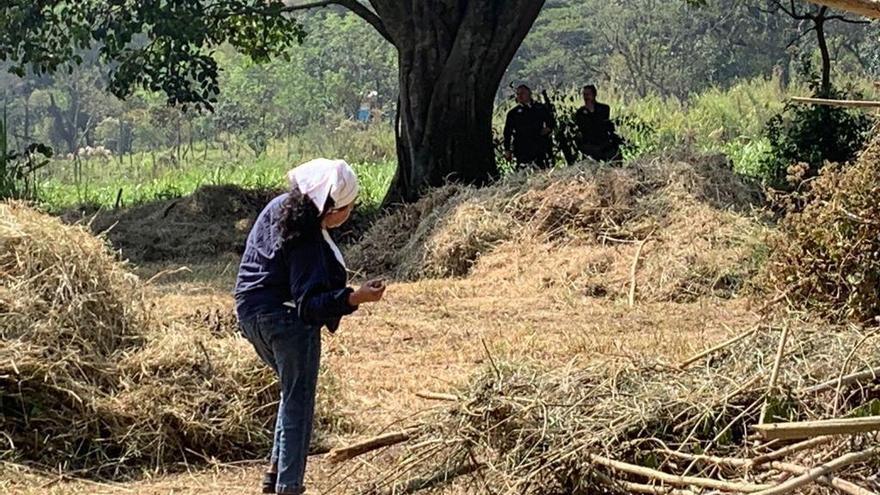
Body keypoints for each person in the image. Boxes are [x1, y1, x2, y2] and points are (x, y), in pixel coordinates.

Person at [234, 158, 386, 495]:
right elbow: (310, 305)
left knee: (291, 393)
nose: (350, 213)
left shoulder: (279, 208)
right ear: (331, 210)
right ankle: (290, 486)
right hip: (286, 321)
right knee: (300, 400)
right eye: (349, 207)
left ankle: (274, 477)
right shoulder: (305, 235)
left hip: (249, 315)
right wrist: (354, 298)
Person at [503, 84, 555, 169]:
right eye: (518, 94)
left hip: (539, 146)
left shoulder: (539, 108)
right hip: (522, 148)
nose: (520, 96)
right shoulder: (513, 113)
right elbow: (507, 132)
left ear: (529, 94)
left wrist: (547, 129)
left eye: (522, 93)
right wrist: (507, 149)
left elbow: (551, 122)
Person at [574, 84, 622, 162]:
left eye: (588, 94)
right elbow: (582, 127)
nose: (586, 97)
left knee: (614, 155)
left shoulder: (603, 109)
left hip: (603, 141)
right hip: (589, 143)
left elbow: (601, 123)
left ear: (594, 95)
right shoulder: (580, 112)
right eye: (584, 95)